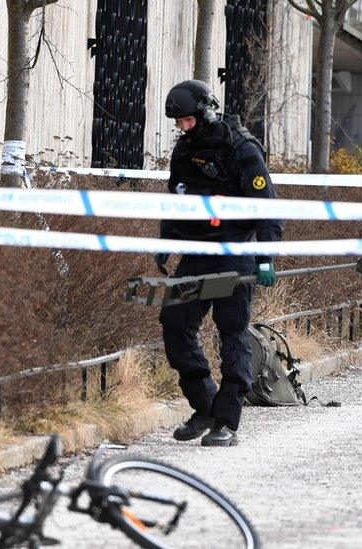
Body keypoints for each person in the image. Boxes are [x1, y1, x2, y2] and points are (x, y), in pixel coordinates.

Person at [156, 80, 282, 447]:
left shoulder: (241, 149)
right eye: (179, 123)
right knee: (175, 322)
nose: (183, 128)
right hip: (196, 253)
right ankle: (205, 405)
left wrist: (265, 257)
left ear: (207, 112)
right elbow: (177, 199)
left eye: (188, 121)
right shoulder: (184, 150)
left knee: (232, 333)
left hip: (233, 253)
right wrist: (165, 243)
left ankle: (227, 421)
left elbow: (267, 207)